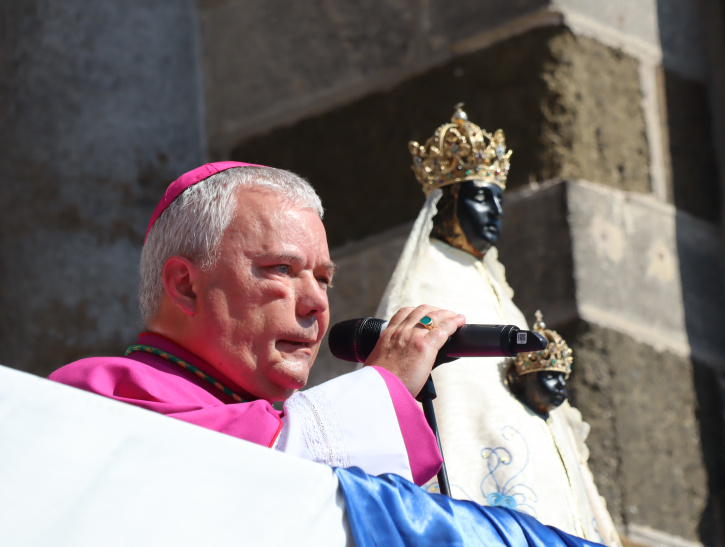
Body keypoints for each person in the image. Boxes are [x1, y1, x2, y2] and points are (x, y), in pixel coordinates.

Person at [49, 161, 467, 487]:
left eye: (324, 279)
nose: (317, 302)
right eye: (282, 268)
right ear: (186, 285)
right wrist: (382, 388)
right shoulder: (98, 395)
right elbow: (253, 484)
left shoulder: (266, 414)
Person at [376, 105, 622, 546]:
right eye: (479, 197)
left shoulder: (492, 287)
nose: (494, 213)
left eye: (498, 200)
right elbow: (446, 403)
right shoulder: (426, 283)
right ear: (447, 202)